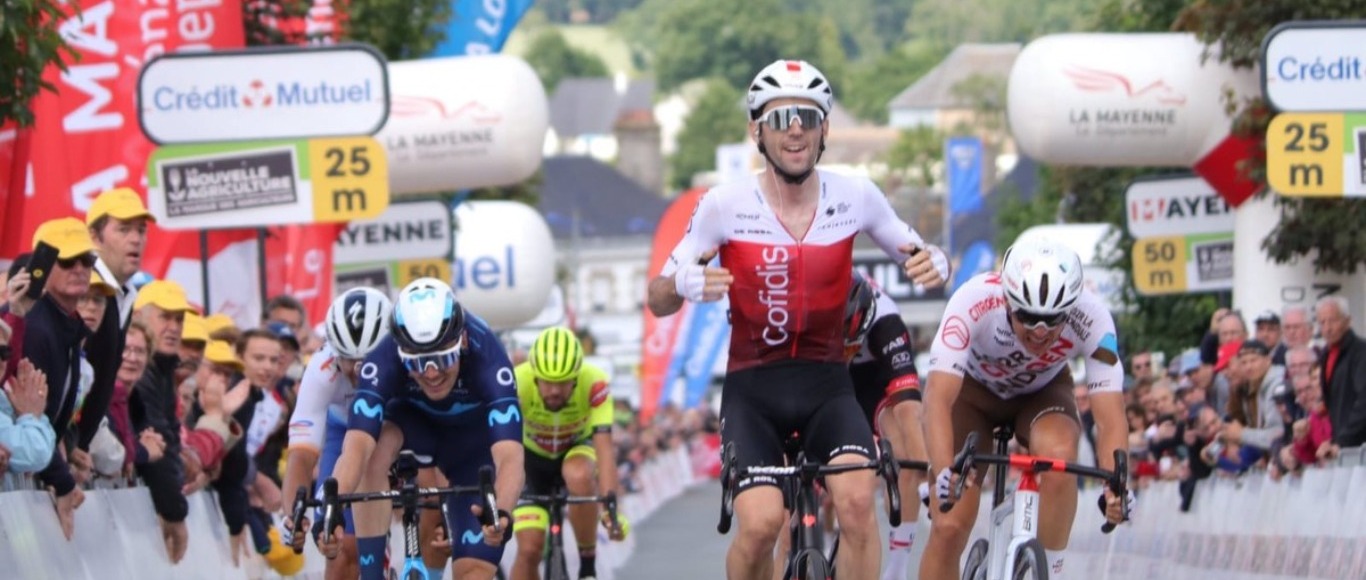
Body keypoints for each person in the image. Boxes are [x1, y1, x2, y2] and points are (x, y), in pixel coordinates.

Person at [645, 59, 949, 580]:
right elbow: (657, 298)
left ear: (824, 129)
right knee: (762, 526)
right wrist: (683, 284)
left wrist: (938, 263)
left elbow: (919, 254)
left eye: (806, 118)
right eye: (780, 117)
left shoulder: (855, 197)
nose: (794, 129)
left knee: (856, 504)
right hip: (753, 390)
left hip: (828, 387)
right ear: (755, 130)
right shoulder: (723, 205)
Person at [918, 239, 1130, 580]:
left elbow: (1110, 417)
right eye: (1028, 317)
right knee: (949, 526)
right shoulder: (973, 300)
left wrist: (1116, 486)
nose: (1039, 331)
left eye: (1052, 319)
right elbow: (937, 401)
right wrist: (945, 470)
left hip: (1042, 392)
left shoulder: (1093, 318)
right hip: (972, 395)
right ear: (1007, 302)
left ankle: (1051, 569)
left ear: (1072, 307)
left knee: (1060, 456)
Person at [322, 278, 524, 580]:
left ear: (462, 342)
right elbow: (356, 447)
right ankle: (372, 572)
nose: (431, 373)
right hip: (412, 429)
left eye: (443, 359)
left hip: (471, 448)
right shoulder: (384, 355)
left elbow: (510, 458)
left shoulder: (488, 356)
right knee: (374, 446)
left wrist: (502, 512)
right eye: (416, 363)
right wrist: (333, 505)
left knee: (474, 574)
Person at [279, 288, 392, 580]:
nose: (357, 372)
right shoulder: (322, 368)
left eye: (367, 360)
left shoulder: (404, 359)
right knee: (342, 548)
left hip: (394, 429)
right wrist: (294, 515)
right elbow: (302, 454)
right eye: (348, 359)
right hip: (343, 433)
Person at [510, 326, 628, 580]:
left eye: (563, 383)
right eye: (547, 382)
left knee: (579, 474)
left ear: (576, 376)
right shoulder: (515, 383)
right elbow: (500, 443)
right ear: (534, 377)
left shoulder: (594, 382)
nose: (554, 391)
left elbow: (604, 449)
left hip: (576, 449)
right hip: (531, 463)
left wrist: (611, 508)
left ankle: (587, 567)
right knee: (529, 550)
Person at [843, 272, 926, 580]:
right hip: (821, 379)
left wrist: (924, 476)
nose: (846, 352)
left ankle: (898, 566)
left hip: (872, 382)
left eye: (851, 344)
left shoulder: (885, 318)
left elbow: (908, 408)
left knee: (904, 444)